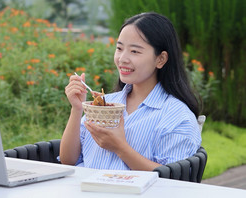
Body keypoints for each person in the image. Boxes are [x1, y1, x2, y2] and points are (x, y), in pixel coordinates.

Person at [60, 12, 202, 171]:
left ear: (160, 59)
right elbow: (68, 160)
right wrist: (77, 109)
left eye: (135, 51)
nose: (122, 58)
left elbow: (175, 180)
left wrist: (121, 148)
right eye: (119, 48)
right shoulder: (102, 106)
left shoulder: (177, 116)